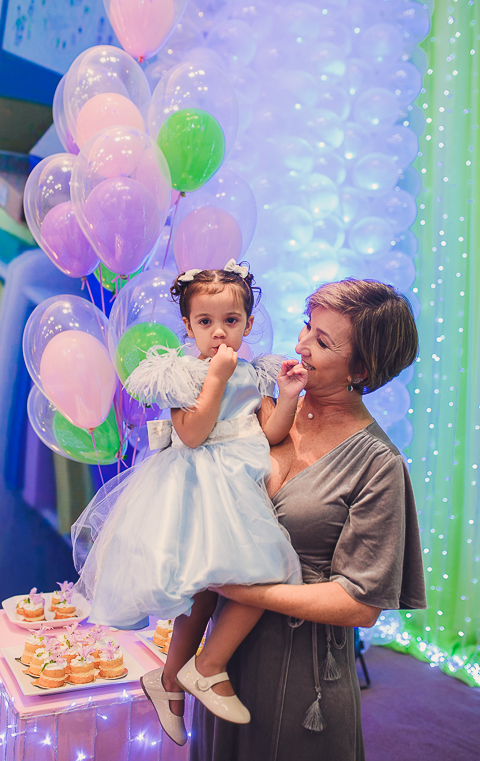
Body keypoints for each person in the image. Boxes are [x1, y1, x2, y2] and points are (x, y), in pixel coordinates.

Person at [190, 278, 427, 761]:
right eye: (306, 327)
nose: (300, 346)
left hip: (300, 673)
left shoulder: (378, 464)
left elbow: (360, 603)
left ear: (361, 367)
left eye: (322, 341)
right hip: (221, 666)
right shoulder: (267, 401)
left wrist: (240, 590)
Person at [71, 259, 305, 746]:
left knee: (239, 580)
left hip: (240, 488)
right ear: (187, 325)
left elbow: (271, 432)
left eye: (231, 321)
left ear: (250, 324)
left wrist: (286, 396)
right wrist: (216, 377)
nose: (219, 333)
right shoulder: (180, 372)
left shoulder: (255, 371)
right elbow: (193, 435)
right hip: (196, 491)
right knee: (208, 586)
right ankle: (205, 668)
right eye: (205, 322)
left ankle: (174, 677)